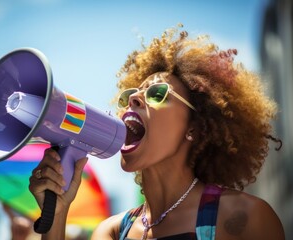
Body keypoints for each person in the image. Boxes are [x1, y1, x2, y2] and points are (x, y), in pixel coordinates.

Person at [28, 26, 285, 240]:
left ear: (193, 128)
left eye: (158, 94)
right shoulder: (112, 231)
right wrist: (57, 215)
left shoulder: (245, 218)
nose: (135, 99)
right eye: (130, 95)